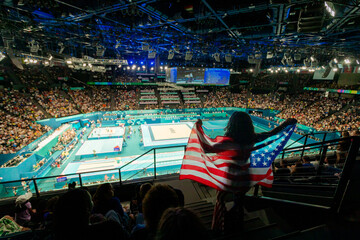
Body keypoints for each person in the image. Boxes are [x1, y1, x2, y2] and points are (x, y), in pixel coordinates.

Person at [205, 111, 297, 234]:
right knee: (239, 202)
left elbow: (207, 147)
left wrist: (198, 129)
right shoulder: (253, 138)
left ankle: (221, 225)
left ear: (231, 124)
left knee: (220, 200)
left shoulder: (227, 141)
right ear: (249, 124)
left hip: (230, 177)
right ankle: (238, 225)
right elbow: (271, 133)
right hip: (245, 178)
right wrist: (285, 123)